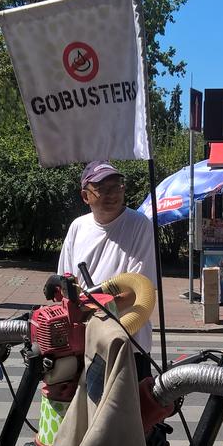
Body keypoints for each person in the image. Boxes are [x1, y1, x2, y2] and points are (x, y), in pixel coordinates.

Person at [58, 160, 157, 375]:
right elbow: (66, 283)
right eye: (102, 189)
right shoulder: (78, 227)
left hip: (128, 343)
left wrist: (87, 309)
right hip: (86, 343)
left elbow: (137, 292)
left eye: (116, 187)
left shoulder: (139, 225)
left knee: (129, 408)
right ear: (85, 196)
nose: (112, 195)